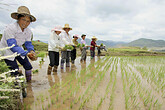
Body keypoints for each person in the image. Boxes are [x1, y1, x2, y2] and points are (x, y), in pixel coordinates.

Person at [0, 6, 37, 82]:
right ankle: (17, 87)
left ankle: (29, 83)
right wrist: (26, 53)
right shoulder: (10, 28)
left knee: (28, 66)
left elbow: (28, 44)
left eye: (28, 21)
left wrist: (32, 51)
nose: (25, 23)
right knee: (14, 70)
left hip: (20, 49)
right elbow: (12, 46)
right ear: (18, 18)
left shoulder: (28, 31)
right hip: (7, 51)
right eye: (23, 20)